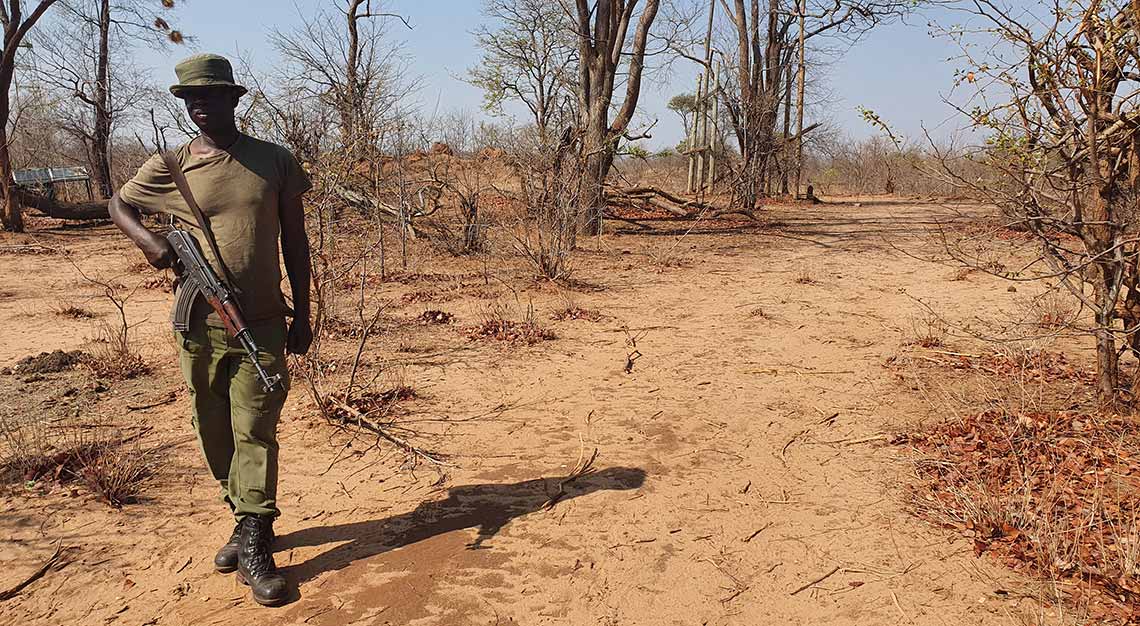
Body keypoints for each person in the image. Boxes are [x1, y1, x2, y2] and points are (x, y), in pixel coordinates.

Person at [108, 53, 313, 607]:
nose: (200, 105)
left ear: (234, 99)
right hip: (197, 325)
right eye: (190, 98)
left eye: (211, 95)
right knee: (212, 426)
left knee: (256, 425)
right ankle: (244, 515)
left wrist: (305, 312)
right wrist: (152, 246)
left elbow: (296, 241)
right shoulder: (170, 166)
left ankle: (253, 538)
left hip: (263, 322)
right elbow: (118, 203)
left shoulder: (274, 161)